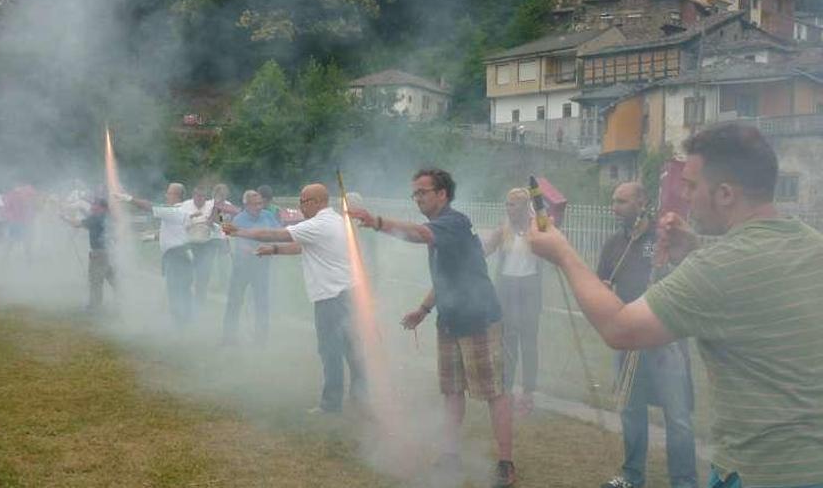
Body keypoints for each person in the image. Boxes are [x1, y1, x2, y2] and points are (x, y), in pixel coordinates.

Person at [528, 122, 823, 488]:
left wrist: (562, 251)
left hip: (760, 472)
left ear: (726, 193)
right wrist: (697, 249)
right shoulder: (811, 244)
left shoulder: (720, 267)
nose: (684, 195)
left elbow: (620, 328)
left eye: (693, 185)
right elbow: (759, 278)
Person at [349, 168, 516, 488]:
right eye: (415, 193)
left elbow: (420, 234)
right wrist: (424, 310)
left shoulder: (453, 222)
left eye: (423, 192)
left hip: (479, 319)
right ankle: (450, 454)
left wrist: (378, 222)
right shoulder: (444, 227)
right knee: (451, 391)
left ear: (442, 194)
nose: (417, 198)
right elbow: (448, 278)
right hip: (450, 321)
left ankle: (505, 463)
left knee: (494, 393)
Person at [224, 184, 367, 414]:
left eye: (304, 201)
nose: (300, 206)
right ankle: (361, 395)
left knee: (330, 349)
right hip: (346, 293)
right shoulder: (335, 222)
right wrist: (275, 251)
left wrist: (238, 231)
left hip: (331, 296)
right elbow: (302, 247)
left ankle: (331, 404)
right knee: (351, 346)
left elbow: (275, 233)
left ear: (319, 201)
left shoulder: (319, 224)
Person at [596, 182, 696, 488]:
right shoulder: (614, 244)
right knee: (631, 411)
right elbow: (603, 285)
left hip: (666, 340)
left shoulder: (662, 238)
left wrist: (667, 260)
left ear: (642, 202)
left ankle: (684, 482)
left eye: (622, 201)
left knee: (677, 418)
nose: (615, 207)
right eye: (613, 201)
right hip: (630, 340)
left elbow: (687, 272)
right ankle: (632, 477)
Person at [483, 187, 542, 417]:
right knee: (507, 342)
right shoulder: (503, 231)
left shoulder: (538, 229)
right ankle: (506, 389)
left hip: (529, 289)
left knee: (529, 343)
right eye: (507, 204)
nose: (509, 209)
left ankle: (528, 392)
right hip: (506, 289)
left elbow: (554, 243)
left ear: (525, 206)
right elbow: (483, 251)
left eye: (514, 204)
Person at [116, 184, 193, 327]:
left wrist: (129, 198)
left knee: (176, 293)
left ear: (177, 195)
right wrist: (151, 237)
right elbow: (173, 233)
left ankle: (181, 326)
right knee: (179, 292)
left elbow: (149, 206)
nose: (166, 195)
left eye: (169, 193)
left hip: (177, 257)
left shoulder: (175, 210)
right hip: (178, 256)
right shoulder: (179, 211)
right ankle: (183, 324)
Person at [222, 190, 279, 345]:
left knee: (262, 303)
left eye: (260, 203)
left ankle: (261, 339)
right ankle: (228, 337)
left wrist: (273, 246)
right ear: (246, 205)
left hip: (261, 266)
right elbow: (239, 241)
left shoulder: (268, 216)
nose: (259, 207)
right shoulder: (239, 219)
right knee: (235, 301)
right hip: (242, 267)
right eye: (255, 204)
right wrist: (250, 248)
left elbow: (278, 233)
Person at [61, 197, 115, 313]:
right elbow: (89, 222)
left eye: (94, 205)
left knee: (95, 280)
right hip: (109, 252)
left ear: (101, 207)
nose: (92, 207)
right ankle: (126, 300)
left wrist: (63, 217)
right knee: (113, 278)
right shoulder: (105, 217)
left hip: (98, 253)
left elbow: (77, 224)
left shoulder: (96, 218)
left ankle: (94, 306)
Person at [181, 185, 216, 308]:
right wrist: (191, 220)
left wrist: (214, 223)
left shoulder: (213, 206)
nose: (200, 199)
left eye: (203, 197)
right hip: (189, 244)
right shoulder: (185, 206)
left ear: (206, 198)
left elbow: (223, 223)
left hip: (206, 246)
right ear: (193, 196)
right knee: (186, 277)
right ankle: (185, 303)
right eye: (198, 196)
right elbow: (178, 223)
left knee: (203, 277)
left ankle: (200, 305)